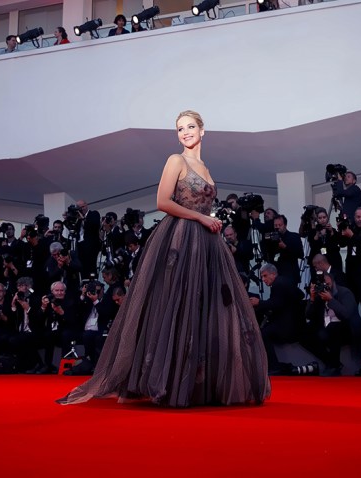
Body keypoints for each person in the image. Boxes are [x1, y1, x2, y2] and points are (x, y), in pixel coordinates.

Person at [57, 110, 270, 407]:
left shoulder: (205, 167)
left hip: (207, 244)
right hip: (181, 239)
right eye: (180, 128)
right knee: (176, 305)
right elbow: (162, 202)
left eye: (191, 127)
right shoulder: (176, 160)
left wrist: (209, 221)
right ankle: (167, 383)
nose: (185, 132)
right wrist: (201, 217)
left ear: (203, 131)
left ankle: (198, 384)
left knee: (205, 308)